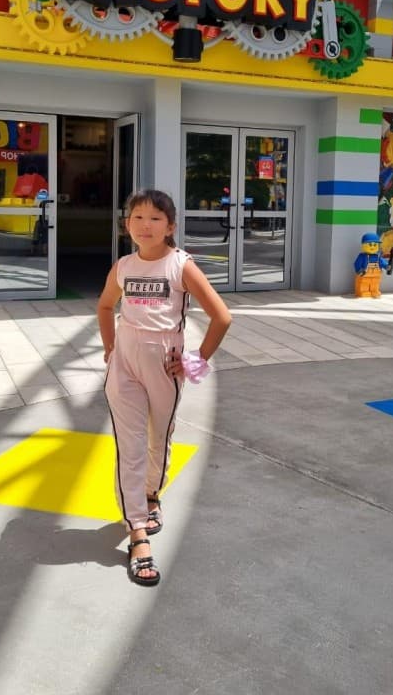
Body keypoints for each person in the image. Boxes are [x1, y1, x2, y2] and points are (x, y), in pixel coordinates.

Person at [97, 188, 232, 586]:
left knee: (160, 436)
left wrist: (195, 360)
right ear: (127, 225)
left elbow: (222, 317)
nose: (145, 225)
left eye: (155, 218)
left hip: (164, 365)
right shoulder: (123, 266)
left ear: (170, 226)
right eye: (137, 217)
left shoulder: (180, 265)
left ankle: (152, 494)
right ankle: (137, 532)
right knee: (130, 446)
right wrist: (110, 349)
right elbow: (105, 306)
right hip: (124, 365)